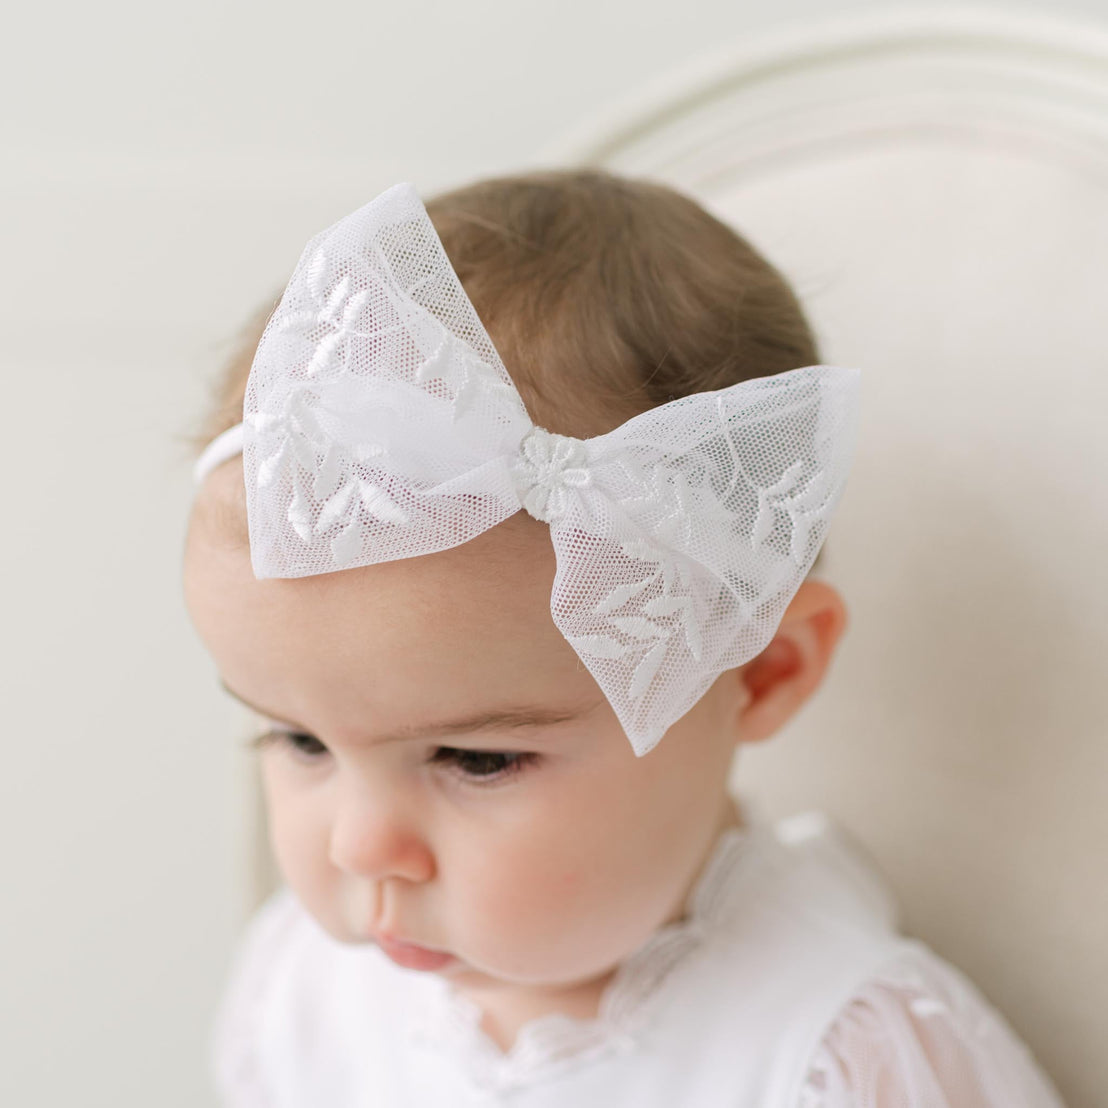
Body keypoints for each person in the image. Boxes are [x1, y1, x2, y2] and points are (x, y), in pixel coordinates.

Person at [183, 170, 1065, 1106]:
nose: (360, 849)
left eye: (477, 760)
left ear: (761, 668)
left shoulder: (833, 1053)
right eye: (300, 741)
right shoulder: (308, 987)